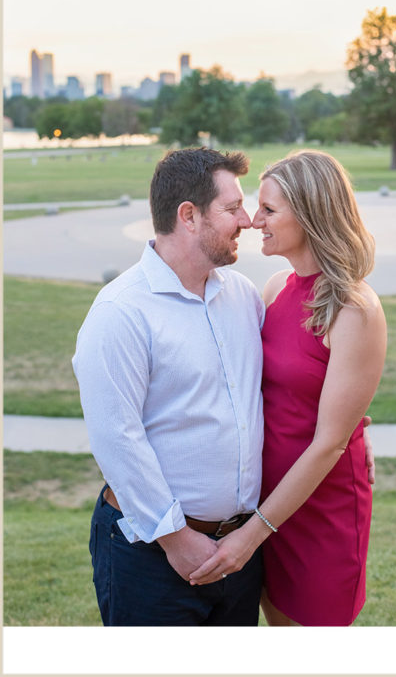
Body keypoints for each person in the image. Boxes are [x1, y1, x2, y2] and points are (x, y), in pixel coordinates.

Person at [188, 150, 387, 627]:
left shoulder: (354, 309)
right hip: (263, 498)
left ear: (310, 213)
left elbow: (329, 443)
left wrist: (253, 534)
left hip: (319, 506)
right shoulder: (276, 288)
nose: (254, 221)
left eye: (269, 209)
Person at [73, 148, 266, 625]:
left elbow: (279, 387)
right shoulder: (121, 311)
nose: (247, 220)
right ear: (189, 216)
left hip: (239, 549)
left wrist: (351, 431)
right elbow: (116, 438)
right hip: (150, 555)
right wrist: (175, 538)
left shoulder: (243, 297)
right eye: (232, 208)